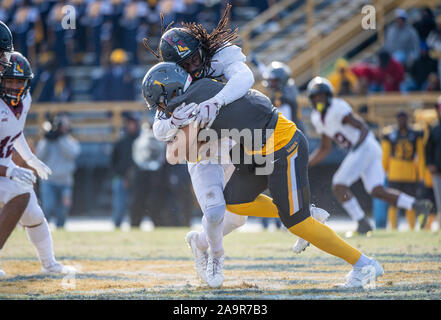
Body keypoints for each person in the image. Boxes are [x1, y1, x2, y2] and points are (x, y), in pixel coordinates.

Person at [143, 61, 384, 289]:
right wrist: (175, 123)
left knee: (298, 224)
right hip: (257, 148)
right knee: (235, 201)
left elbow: (177, 151)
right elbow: (172, 137)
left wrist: (177, 124)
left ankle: (364, 264)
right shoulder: (198, 92)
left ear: (173, 92)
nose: (162, 110)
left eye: (162, 104)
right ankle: (304, 213)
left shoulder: (197, 97)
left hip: (282, 146)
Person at [143, 5, 255, 287]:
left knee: (239, 218)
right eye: (186, 64)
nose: (194, 66)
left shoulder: (221, 56)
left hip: (232, 143)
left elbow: (245, 78)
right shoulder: (171, 78)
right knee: (215, 211)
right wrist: (173, 121)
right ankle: (216, 256)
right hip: (201, 148)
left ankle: (199, 241)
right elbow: (158, 129)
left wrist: (217, 100)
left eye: (195, 58)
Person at [307, 77, 433, 235]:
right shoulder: (317, 118)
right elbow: (325, 148)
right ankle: (419, 205)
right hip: (368, 148)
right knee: (377, 190)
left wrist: (358, 146)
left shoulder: (337, 108)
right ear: (311, 99)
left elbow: (362, 127)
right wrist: (308, 163)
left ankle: (362, 222)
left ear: (328, 96)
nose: (319, 100)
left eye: (322, 96)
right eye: (316, 97)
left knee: (339, 184)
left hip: (365, 146)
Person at [0, 51, 76, 276]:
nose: (14, 86)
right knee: (21, 195)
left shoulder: (25, 100)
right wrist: (11, 169)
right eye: (9, 80)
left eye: (19, 81)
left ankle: (49, 264)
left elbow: (14, 132)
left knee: (33, 213)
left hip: (5, 168)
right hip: (4, 169)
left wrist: (31, 159)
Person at [381, 111, 424, 230]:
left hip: (410, 174)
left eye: (403, 118)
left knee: (410, 202)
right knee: (393, 204)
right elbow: (385, 156)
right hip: (394, 174)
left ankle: (411, 228)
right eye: (400, 119)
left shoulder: (415, 134)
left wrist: (421, 175)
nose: (402, 121)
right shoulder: (390, 134)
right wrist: (381, 173)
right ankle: (393, 228)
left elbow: (421, 156)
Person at [36, 114, 80, 229]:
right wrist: (47, 138)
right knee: (47, 207)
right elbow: (39, 155)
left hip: (65, 182)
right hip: (49, 180)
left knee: (63, 210)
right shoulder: (47, 140)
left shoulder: (69, 140)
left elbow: (73, 154)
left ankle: (60, 228)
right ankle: (43, 229)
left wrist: (60, 138)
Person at [110, 113, 139, 228]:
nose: (131, 126)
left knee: (135, 204)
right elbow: (113, 161)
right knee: (119, 204)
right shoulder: (121, 142)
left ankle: (134, 224)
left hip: (136, 178)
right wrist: (121, 176)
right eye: (129, 124)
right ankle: (117, 225)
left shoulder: (139, 141)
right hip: (121, 178)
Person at [425, 97, 441, 227]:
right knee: (439, 198)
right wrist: (430, 164)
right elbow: (428, 149)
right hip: (438, 169)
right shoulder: (435, 128)